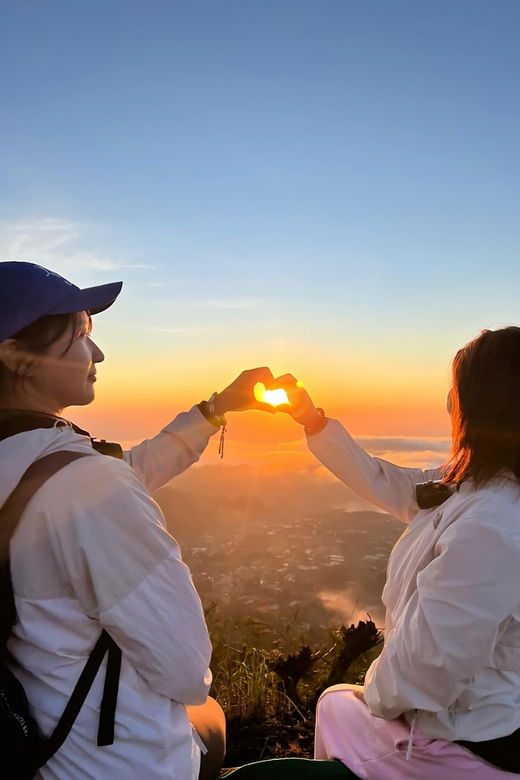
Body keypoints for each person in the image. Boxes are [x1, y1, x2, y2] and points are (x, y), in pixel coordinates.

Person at [0, 261, 276, 780]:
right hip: (117, 765)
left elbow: (117, 474)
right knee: (209, 711)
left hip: (32, 745)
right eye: (81, 333)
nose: (97, 352)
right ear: (18, 357)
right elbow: (187, 670)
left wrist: (215, 409)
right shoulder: (87, 485)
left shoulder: (22, 462)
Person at [276, 329, 520, 779]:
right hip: (473, 721)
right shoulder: (475, 484)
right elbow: (384, 480)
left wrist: (377, 694)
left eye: (457, 391)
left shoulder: (493, 525)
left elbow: (422, 675)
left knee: (335, 706)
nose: (450, 402)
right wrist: (313, 420)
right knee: (340, 702)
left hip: (461, 744)